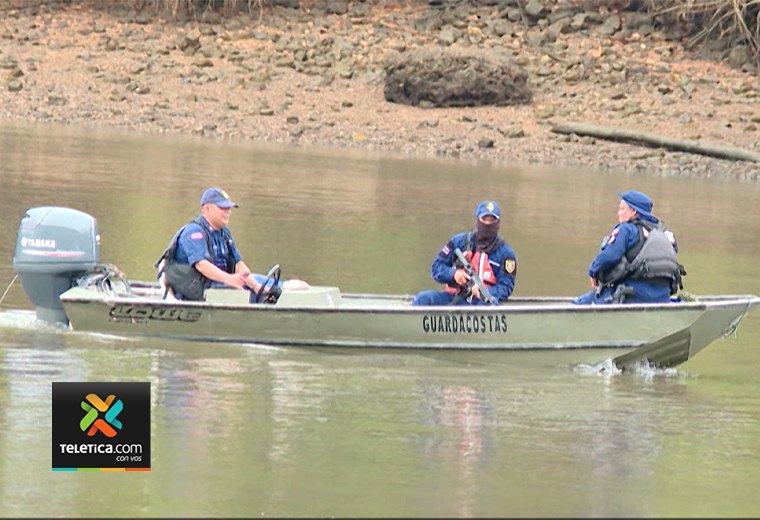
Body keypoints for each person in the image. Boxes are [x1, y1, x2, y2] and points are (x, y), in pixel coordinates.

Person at [156, 187, 309, 302]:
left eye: (229, 208)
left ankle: (286, 294)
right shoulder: (194, 233)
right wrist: (230, 279)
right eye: (222, 208)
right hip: (199, 289)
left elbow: (238, 264)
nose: (227, 212)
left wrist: (255, 285)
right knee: (243, 293)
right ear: (207, 209)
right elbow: (202, 265)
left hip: (220, 283)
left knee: (275, 285)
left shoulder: (223, 232)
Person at [572, 190, 685, 305]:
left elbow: (610, 255)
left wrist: (593, 272)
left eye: (622, 209)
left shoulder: (627, 229)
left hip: (632, 293)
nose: (618, 214)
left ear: (633, 211)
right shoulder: (666, 235)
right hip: (663, 296)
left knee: (579, 303)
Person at [412, 200, 517, 306]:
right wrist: (454, 274)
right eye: (484, 219)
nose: (487, 224)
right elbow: (436, 268)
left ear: (498, 224)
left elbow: (505, 287)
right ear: (477, 221)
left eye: (492, 221)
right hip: (453, 297)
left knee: (486, 307)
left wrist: (484, 292)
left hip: (483, 304)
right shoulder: (458, 242)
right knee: (422, 299)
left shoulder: (506, 254)